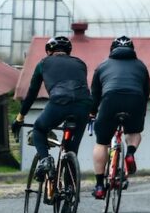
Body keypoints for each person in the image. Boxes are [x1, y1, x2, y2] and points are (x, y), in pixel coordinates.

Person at [13, 36, 93, 178]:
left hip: (59, 103)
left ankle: (45, 160)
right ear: (68, 51)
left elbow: (32, 94)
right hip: (83, 106)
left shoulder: (43, 63)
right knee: (72, 150)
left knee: (39, 129)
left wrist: (20, 118)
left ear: (49, 51)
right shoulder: (80, 63)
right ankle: (71, 192)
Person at [89, 35, 150, 200]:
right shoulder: (141, 66)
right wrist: (141, 112)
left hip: (111, 99)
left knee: (101, 143)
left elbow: (94, 95)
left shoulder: (102, 66)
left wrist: (92, 112)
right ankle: (130, 153)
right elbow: (146, 92)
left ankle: (100, 186)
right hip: (135, 99)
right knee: (134, 132)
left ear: (112, 49)